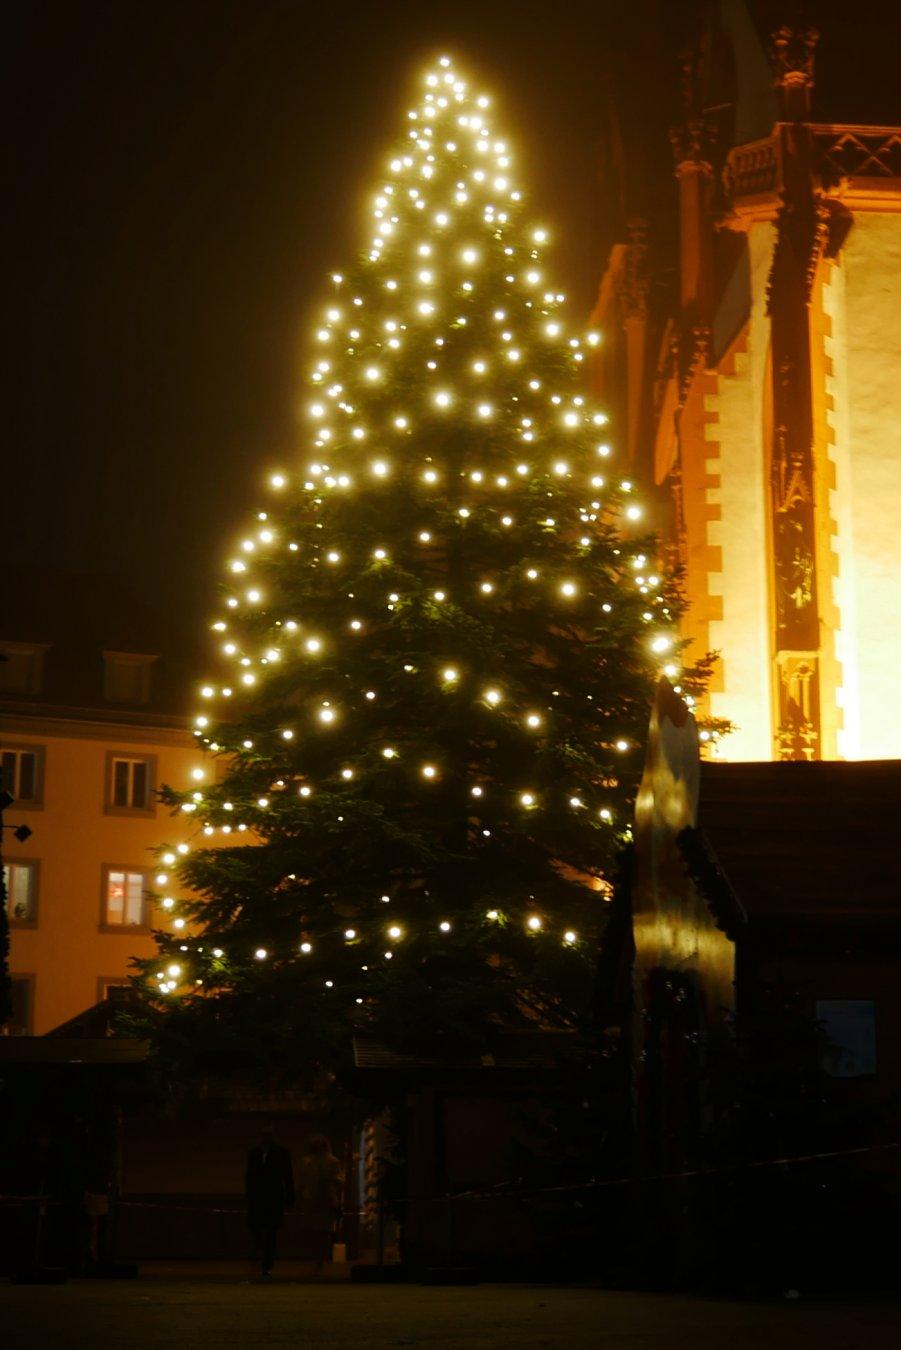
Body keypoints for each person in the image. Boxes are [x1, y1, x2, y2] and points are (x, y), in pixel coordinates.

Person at [245, 1124, 295, 1277]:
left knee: (271, 1231)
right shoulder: (254, 1153)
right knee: (259, 1229)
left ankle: (267, 1262)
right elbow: (249, 1176)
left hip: (273, 1197)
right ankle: (262, 1255)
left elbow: (288, 1176)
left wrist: (289, 1196)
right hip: (258, 1197)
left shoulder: (281, 1153)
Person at [298, 1135, 343, 1276]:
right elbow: (339, 1182)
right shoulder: (331, 1162)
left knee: (318, 1232)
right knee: (322, 1232)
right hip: (323, 1201)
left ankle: (319, 1260)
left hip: (317, 1201)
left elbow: (303, 1182)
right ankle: (320, 1260)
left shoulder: (309, 1162)